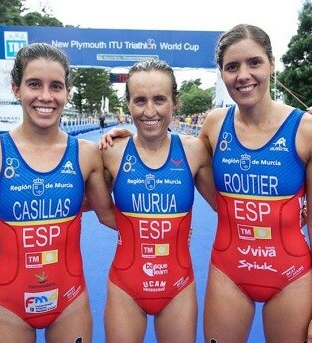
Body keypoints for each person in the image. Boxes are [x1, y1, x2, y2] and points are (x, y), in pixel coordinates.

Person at [0, 43, 116, 343]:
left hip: (71, 301)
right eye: (34, 84)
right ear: (16, 89)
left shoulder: (86, 154)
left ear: (67, 91)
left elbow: (109, 214)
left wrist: (133, 146)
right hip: (9, 307)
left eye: (56, 86)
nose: (46, 96)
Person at [197, 24, 312, 343]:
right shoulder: (214, 124)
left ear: (272, 64)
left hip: (290, 276)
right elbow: (177, 158)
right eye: (232, 67)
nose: (243, 75)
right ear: (222, 73)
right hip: (228, 271)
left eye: (254, 62)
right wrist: (124, 141)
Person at [100, 60, 216, 342]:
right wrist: (138, 228)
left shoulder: (194, 150)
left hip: (178, 287)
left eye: (159, 100)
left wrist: (298, 203)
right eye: (139, 100)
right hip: (125, 287)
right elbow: (95, 209)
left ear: (175, 102)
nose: (149, 111)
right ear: (127, 103)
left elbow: (225, 203)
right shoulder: (111, 152)